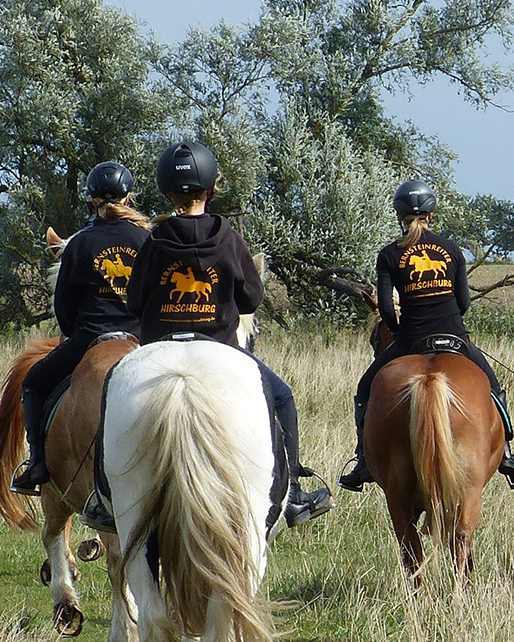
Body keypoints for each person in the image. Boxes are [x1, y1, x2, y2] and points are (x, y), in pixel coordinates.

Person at [80, 141, 334, 532]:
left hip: (159, 348)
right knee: (282, 397)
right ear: (210, 190)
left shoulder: (153, 241)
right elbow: (251, 297)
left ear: (166, 192)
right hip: (221, 347)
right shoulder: (229, 238)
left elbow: (133, 303)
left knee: (113, 386)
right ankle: (294, 493)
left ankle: (103, 496)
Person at [338, 180, 514, 492]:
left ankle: (362, 459)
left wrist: (401, 331)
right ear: (432, 215)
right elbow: (464, 303)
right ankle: (508, 455)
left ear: (398, 215)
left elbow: (387, 309)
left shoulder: (389, 255)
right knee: (493, 387)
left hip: (411, 339)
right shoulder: (451, 249)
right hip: (455, 337)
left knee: (365, 389)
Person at [10, 160, 151, 495]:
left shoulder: (79, 244)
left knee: (33, 383)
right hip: (142, 339)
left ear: (91, 200)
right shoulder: (148, 240)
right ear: (128, 198)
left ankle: (38, 465)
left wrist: (76, 334)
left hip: (90, 337)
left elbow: (63, 306)